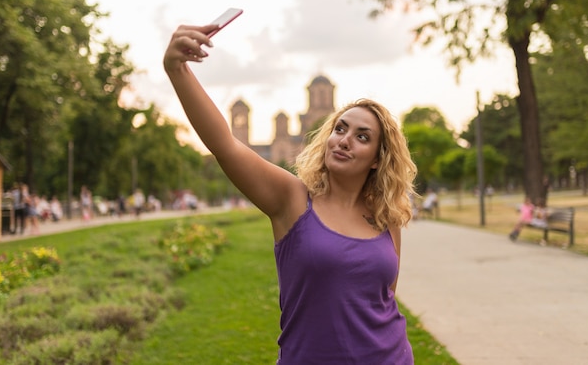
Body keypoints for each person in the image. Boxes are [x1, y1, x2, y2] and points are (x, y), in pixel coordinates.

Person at [164, 23, 418, 364]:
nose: (344, 138)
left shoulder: (385, 216)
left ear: (378, 159)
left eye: (362, 136)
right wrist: (177, 69)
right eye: (340, 128)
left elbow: (384, 296)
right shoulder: (293, 199)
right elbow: (225, 144)